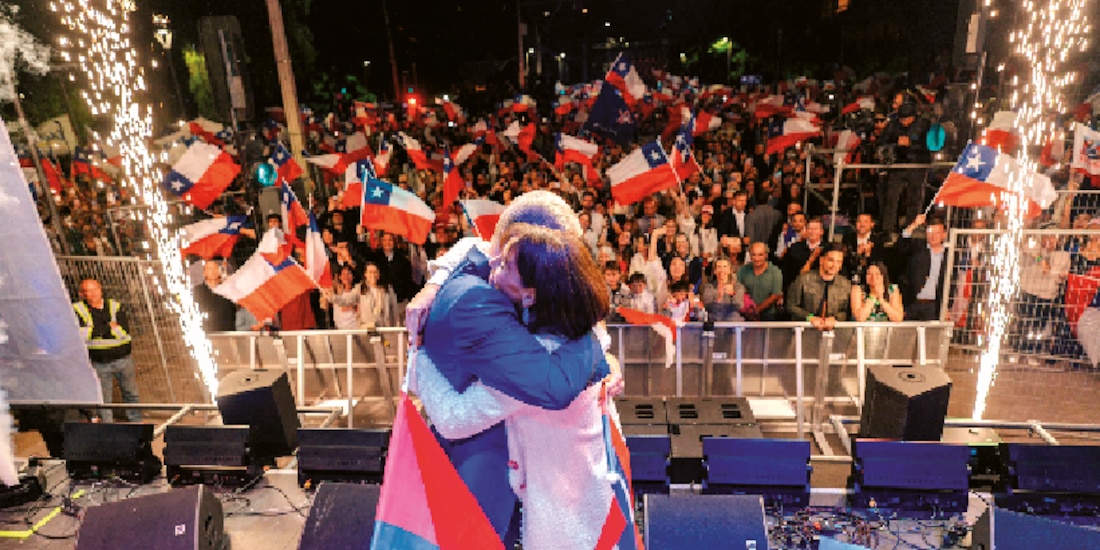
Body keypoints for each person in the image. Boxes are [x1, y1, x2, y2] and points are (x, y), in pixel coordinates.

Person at [403, 191, 613, 544]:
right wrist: (433, 284)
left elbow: (459, 417)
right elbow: (478, 248)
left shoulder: (543, 349)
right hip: (536, 487)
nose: (492, 264)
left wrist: (417, 363)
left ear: (533, 291)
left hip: (561, 501)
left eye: (504, 263)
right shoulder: (537, 312)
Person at [73, 279, 141, 422]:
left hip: (123, 359)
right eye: (88, 291)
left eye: (94, 289)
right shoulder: (77, 309)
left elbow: (124, 333)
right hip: (99, 362)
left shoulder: (115, 306)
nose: (92, 293)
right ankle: (108, 427)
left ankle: (136, 422)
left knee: (131, 393)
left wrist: (94, 330)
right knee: (104, 399)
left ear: (100, 289)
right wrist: (109, 327)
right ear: (82, 294)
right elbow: (79, 335)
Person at [786, 244, 851, 330]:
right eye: (831, 260)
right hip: (805, 332)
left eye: (839, 262)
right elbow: (791, 306)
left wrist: (835, 318)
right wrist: (810, 317)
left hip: (834, 334)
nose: (835, 265)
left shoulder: (846, 284)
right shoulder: (803, 279)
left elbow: (847, 311)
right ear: (821, 260)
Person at [897, 214, 948, 321]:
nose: (933, 236)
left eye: (937, 233)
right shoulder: (918, 248)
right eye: (930, 232)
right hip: (913, 303)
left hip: (935, 305)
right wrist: (914, 224)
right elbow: (902, 245)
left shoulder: (949, 255)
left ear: (944, 235)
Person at [738, 242, 784, 321]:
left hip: (768, 316)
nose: (756, 258)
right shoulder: (743, 270)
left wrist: (756, 311)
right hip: (745, 314)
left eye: (760, 255)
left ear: (766, 255)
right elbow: (738, 290)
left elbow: (775, 295)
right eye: (753, 255)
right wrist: (748, 311)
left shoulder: (775, 271)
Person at [192, 259, 237, 332]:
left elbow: (231, 313)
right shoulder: (198, 290)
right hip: (203, 333)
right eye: (209, 269)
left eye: (215, 268)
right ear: (204, 272)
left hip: (224, 333)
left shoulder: (226, 290)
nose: (213, 271)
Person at [359, 262, 398, 329]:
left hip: (385, 328)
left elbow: (394, 309)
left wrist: (395, 327)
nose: (373, 275)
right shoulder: (360, 289)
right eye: (370, 272)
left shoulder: (388, 289)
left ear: (378, 274)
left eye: (375, 272)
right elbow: (345, 300)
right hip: (368, 329)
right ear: (365, 274)